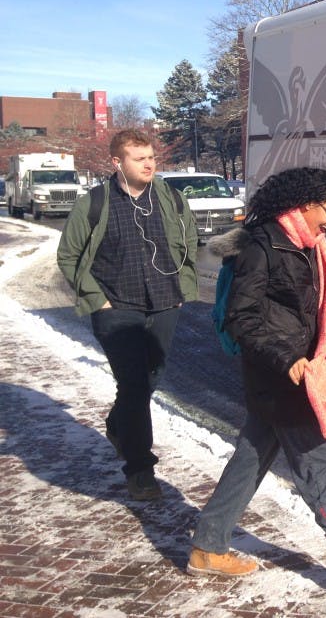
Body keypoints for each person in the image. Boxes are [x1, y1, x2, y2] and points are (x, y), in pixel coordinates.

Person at [186, 166, 326, 599]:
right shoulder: (262, 246)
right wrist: (285, 358)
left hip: (296, 369)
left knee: (251, 458)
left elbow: (321, 299)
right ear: (305, 204)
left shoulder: (308, 243)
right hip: (282, 375)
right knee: (319, 463)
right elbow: (242, 318)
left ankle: (207, 546)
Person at [57, 129, 199, 501]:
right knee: (134, 385)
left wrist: (182, 290)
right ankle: (140, 470)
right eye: (139, 159)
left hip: (164, 303)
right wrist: (97, 300)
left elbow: (189, 243)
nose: (149, 164)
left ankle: (119, 424)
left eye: (151, 157)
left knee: (151, 378)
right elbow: (69, 256)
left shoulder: (171, 199)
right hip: (116, 307)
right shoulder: (94, 203)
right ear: (117, 162)